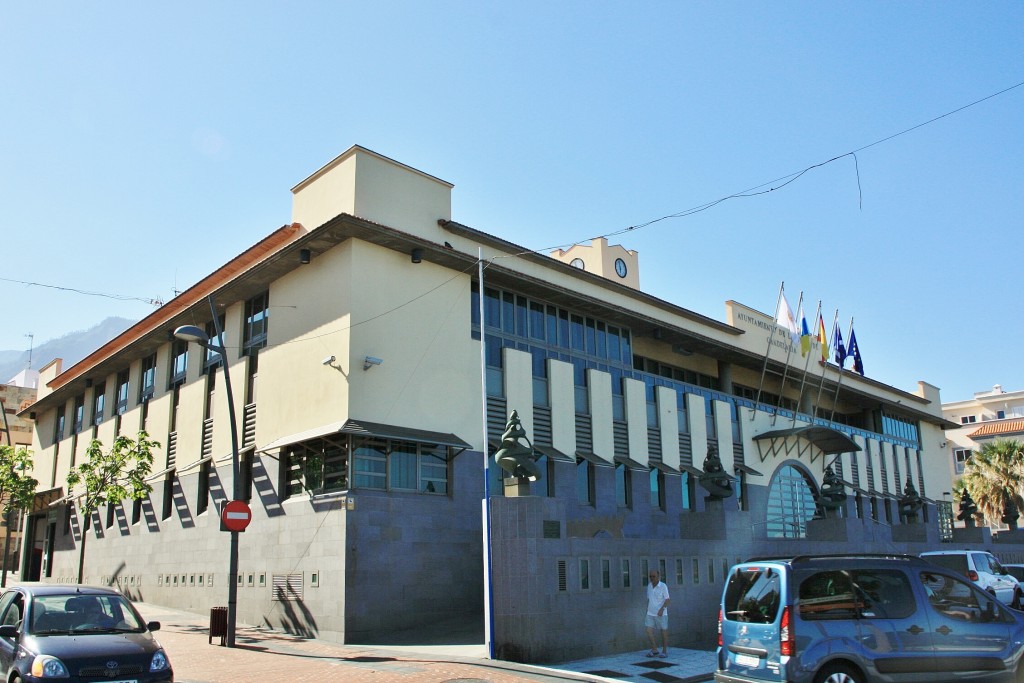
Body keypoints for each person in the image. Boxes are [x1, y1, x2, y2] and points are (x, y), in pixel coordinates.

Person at [644, 569, 670, 658]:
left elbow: (667, 600)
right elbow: (649, 599)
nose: (651, 578)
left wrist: (662, 609)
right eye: (650, 576)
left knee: (663, 631)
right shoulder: (649, 586)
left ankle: (664, 651)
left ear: (658, 576)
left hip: (661, 614)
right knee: (648, 630)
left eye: (653, 576)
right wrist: (647, 610)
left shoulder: (663, 586)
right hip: (650, 613)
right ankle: (654, 649)